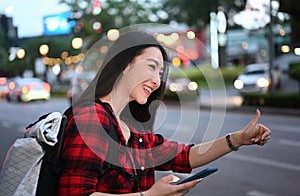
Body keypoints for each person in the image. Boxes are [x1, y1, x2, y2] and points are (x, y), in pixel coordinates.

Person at [58, 31, 271, 196]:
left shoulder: (131, 130)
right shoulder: (91, 118)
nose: (157, 80)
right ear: (125, 64)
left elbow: (186, 156)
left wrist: (238, 139)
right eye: (151, 67)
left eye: (160, 72)